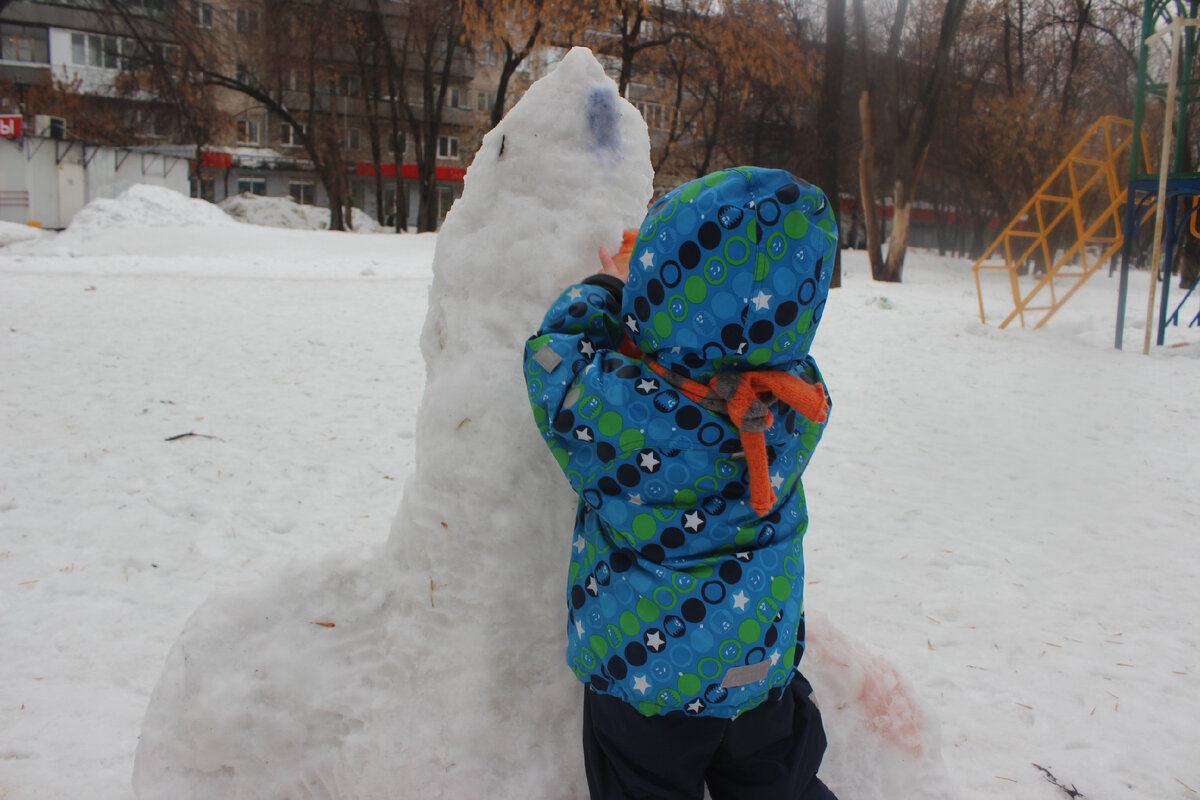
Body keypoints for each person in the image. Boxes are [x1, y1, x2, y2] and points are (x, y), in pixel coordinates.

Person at [523, 167, 839, 800]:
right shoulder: (795, 401)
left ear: (655, 296)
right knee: (777, 781)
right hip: (757, 664)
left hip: (646, 675)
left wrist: (608, 289)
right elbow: (753, 318)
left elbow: (553, 360)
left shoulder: (625, 409)